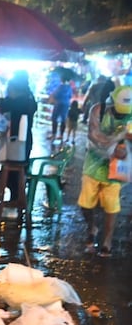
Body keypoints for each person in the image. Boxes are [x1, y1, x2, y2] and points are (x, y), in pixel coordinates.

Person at [79, 85, 132, 257]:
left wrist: (123, 146)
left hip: (116, 169)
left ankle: (107, 240)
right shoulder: (98, 111)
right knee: (85, 204)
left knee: (111, 206)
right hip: (93, 165)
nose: (122, 115)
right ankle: (91, 226)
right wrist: (117, 138)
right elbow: (94, 135)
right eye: (119, 111)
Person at [0, 70, 38, 201]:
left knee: (12, 171)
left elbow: (3, 105)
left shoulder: (17, 102)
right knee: (17, 171)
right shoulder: (29, 98)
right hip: (24, 140)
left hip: (16, 140)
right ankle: (16, 200)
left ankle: (14, 201)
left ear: (14, 89)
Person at [48, 68, 74, 141]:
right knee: (63, 119)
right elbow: (70, 96)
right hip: (66, 105)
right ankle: (61, 135)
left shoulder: (60, 87)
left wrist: (52, 95)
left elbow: (56, 95)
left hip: (58, 104)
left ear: (62, 79)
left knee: (54, 118)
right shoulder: (69, 88)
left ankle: (54, 134)